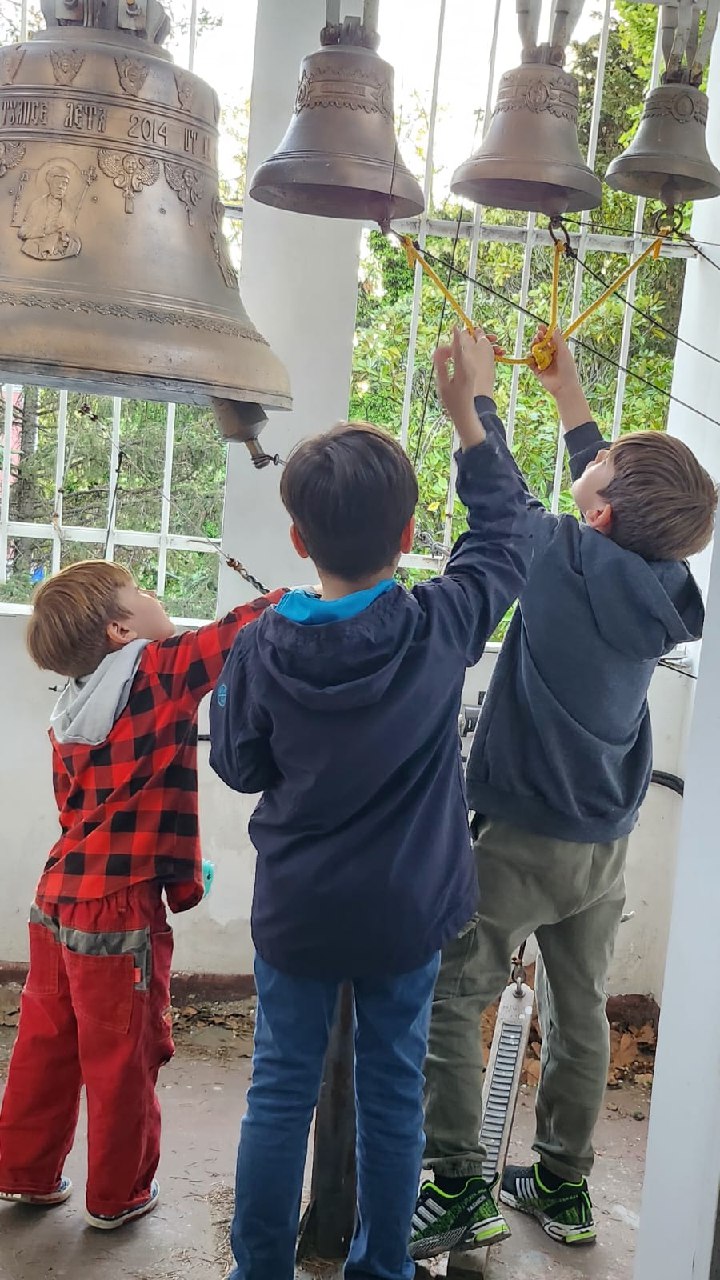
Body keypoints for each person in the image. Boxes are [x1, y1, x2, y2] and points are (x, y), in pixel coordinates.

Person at [208, 328, 535, 1280]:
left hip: (301, 910)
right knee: (393, 1095)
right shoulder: (439, 626)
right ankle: (383, 1268)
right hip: (406, 912)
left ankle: (258, 1269)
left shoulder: (261, 646)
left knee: (279, 1092)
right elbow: (508, 536)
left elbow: (237, 763)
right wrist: (469, 413)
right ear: (407, 535)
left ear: (298, 540)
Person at [410, 328, 717, 1261]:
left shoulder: (555, 555)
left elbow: (500, 500)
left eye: (603, 461)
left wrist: (473, 405)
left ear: (601, 511)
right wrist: (571, 398)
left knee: (454, 994)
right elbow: (613, 503)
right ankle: (563, 1182)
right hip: (604, 843)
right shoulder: (661, 579)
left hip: (520, 837)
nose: (596, 455)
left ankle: (456, 1184)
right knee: (581, 1010)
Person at [0, 561, 282, 1230]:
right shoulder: (156, 670)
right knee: (122, 1056)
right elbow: (239, 631)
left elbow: (75, 810)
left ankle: (24, 1172)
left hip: (57, 899)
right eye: (142, 592)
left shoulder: (71, 706)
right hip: (118, 909)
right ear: (121, 630)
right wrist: (298, 593)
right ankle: (118, 1195)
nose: (155, 596)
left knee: (47, 1042)